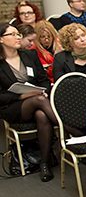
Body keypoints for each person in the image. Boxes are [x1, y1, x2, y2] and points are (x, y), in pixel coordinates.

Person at [0, 22, 58, 181]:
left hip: (38, 102)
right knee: (38, 99)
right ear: (1, 40)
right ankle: (68, 129)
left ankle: (44, 164)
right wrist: (23, 95)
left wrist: (42, 90)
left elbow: (44, 80)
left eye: (18, 34)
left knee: (41, 115)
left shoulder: (29, 55)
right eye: (12, 34)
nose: (18, 37)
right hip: (12, 106)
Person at [53, 23, 86, 90]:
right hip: (72, 94)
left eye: (83, 35)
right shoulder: (60, 58)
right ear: (69, 42)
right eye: (76, 38)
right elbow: (60, 82)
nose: (82, 39)